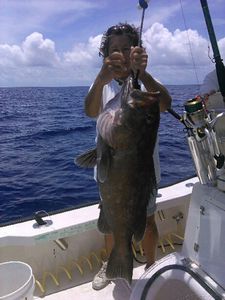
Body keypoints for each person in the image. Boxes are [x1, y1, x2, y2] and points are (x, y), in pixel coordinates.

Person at [84, 22, 172, 290]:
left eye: (126, 48)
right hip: (110, 172)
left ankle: (150, 264)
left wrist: (143, 74)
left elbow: (165, 103)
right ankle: (112, 261)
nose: (120, 54)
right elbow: (90, 111)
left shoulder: (143, 84)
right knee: (111, 220)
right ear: (105, 54)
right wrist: (101, 78)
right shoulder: (103, 82)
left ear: (137, 51)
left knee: (146, 220)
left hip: (142, 175)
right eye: (114, 49)